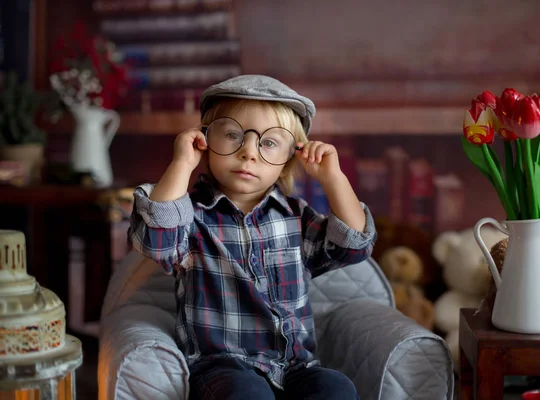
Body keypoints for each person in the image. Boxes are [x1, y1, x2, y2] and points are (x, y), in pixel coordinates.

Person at [128, 75, 377, 399]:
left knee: (336, 388)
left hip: (296, 368)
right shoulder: (191, 219)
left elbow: (353, 246)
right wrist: (181, 164)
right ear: (204, 140)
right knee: (247, 393)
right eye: (232, 135)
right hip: (221, 368)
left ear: (291, 155)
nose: (248, 152)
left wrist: (333, 178)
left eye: (269, 142)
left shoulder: (296, 217)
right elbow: (156, 238)